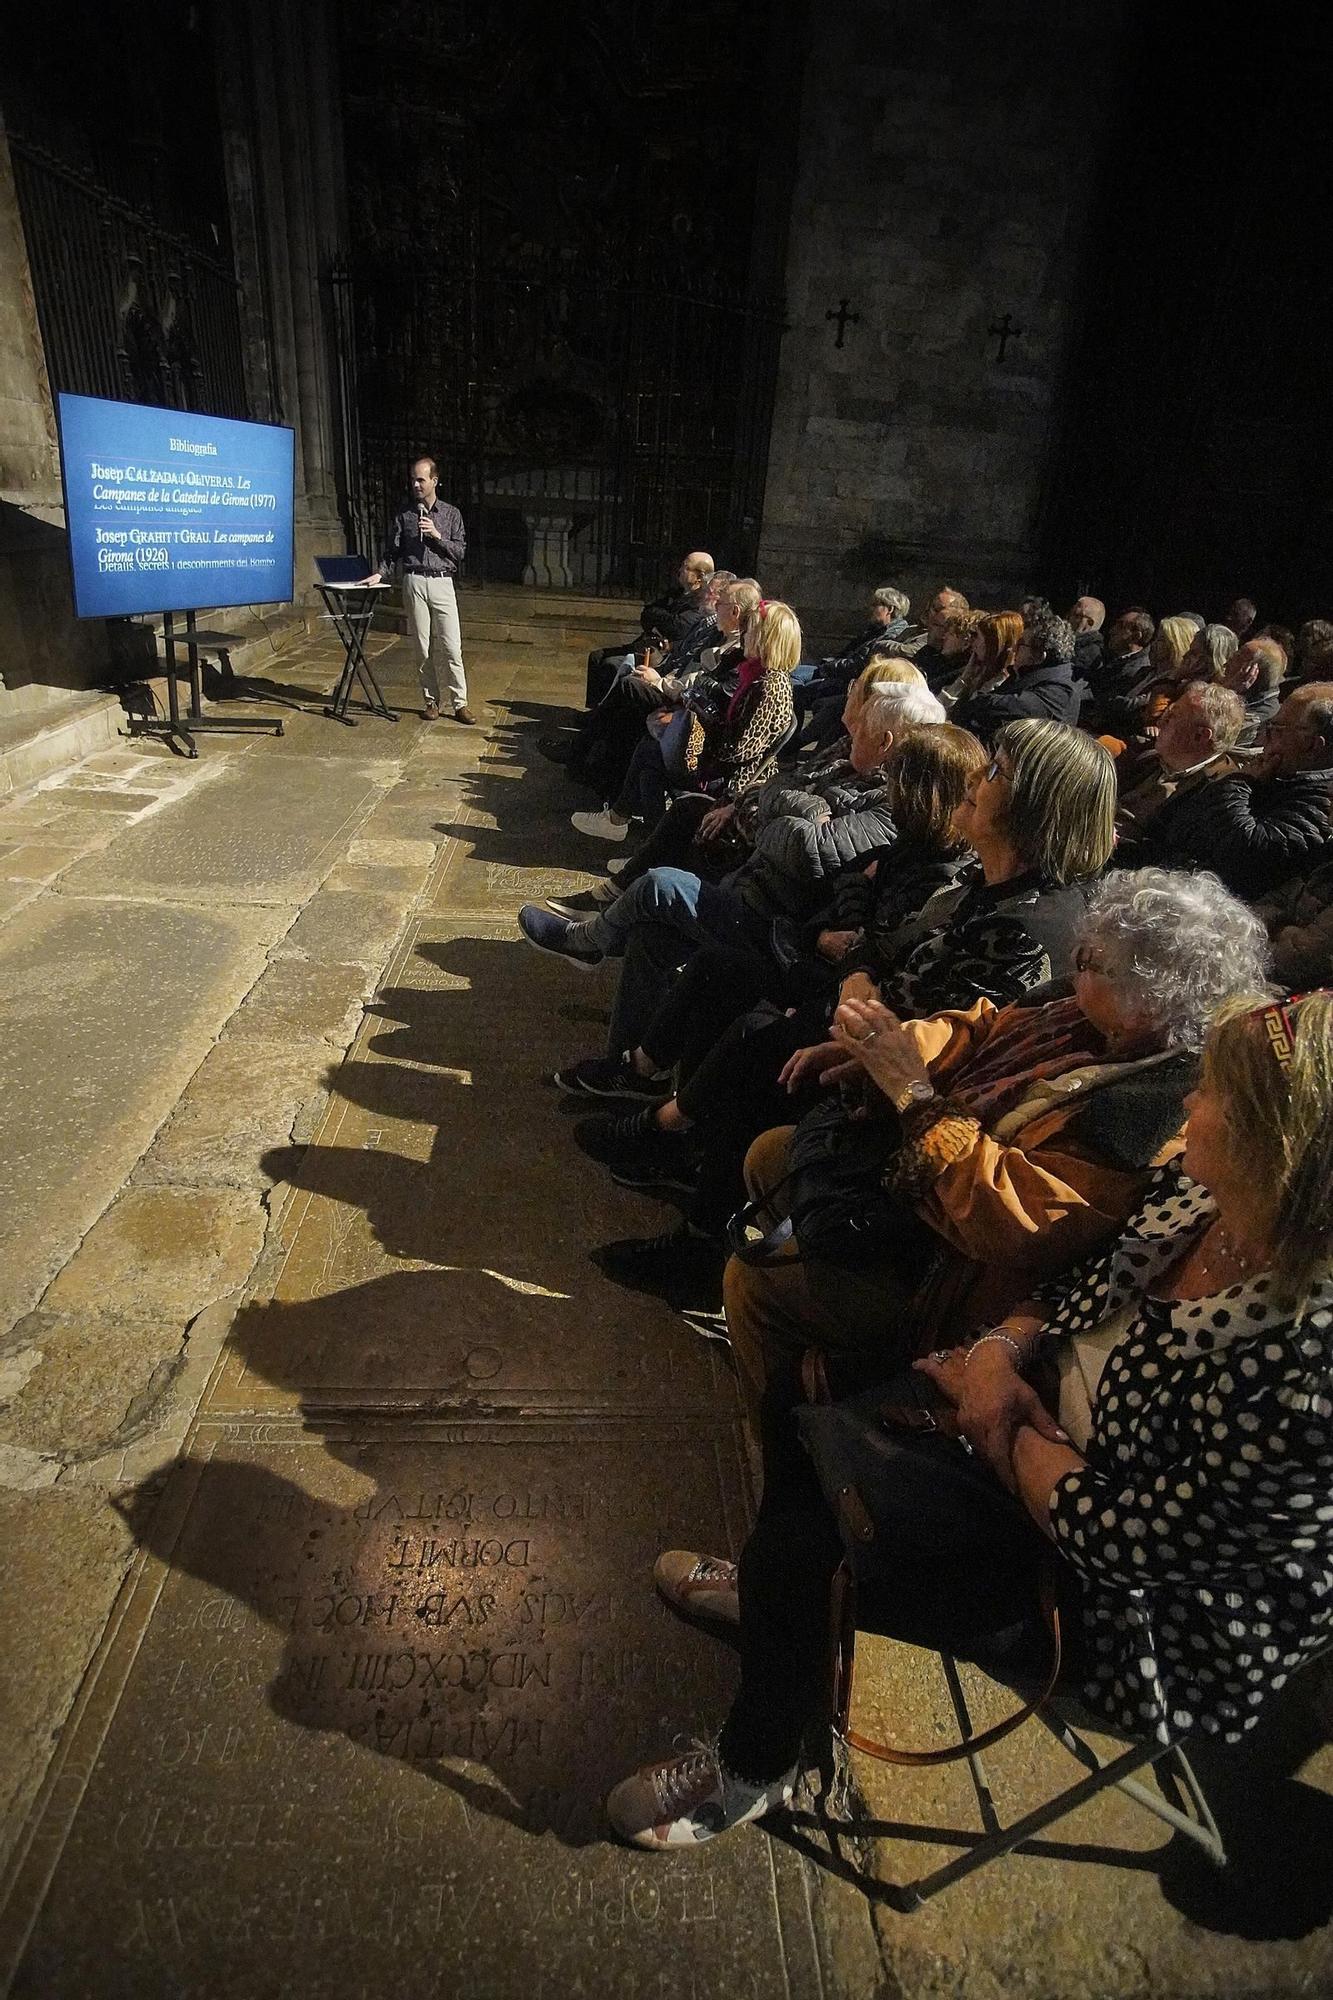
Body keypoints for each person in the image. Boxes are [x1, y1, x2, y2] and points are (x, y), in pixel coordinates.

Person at [606, 987, 1333, 1849]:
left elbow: (1128, 1546)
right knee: (799, 1398)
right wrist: (995, 1353)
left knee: (809, 1528)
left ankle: (758, 1759)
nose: (1185, 1101)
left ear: (1274, 1146)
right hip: (1031, 1425)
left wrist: (999, 1423)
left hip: (1119, 1606)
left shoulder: (1307, 1370)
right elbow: (1076, 1285)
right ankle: (776, 1602)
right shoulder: (1200, 1195)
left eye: (1210, 1092)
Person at [573, 721, 1117, 1300]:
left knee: (765, 1043)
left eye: (997, 772)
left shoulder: (1029, 927)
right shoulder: (986, 885)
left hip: (901, 1101)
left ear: (1033, 809)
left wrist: (858, 979)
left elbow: (923, 1040)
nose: (976, 780)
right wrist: (860, 973)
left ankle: (698, 1233)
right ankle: (685, 1146)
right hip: (856, 1017)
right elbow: (885, 954)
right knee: (725, 975)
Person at [521, 678, 935, 1060]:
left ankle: (591, 940)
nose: (850, 733)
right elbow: (776, 787)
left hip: (778, 925)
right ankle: (629, 1061)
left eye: (861, 728)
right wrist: (804, 809)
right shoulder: (845, 767)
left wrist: (781, 814)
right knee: (652, 936)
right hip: (753, 886)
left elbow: (806, 850)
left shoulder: (887, 804)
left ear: (886, 742)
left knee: (660, 884)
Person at [562, 599, 799, 846]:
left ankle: (628, 828)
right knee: (651, 751)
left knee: (652, 753)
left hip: (733, 775)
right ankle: (637, 836)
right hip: (719, 757)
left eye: (751, 632)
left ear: (766, 639)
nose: (744, 637)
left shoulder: (769, 687)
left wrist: (696, 723)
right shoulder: (753, 672)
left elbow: (737, 749)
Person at [1118, 682, 1333, 898]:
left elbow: (1245, 853)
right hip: (1164, 877)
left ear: (1312, 745)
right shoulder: (1275, 778)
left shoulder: (1322, 803)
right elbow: (1178, 835)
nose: (1263, 739)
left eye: (1275, 730)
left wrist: (1240, 782)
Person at [547, 571, 736, 794]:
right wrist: (659, 672)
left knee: (629, 686)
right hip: (673, 680)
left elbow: (701, 683)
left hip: (683, 699)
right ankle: (595, 767)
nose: (704, 595)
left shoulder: (729, 643)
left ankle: (581, 752)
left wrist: (661, 681)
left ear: (734, 610)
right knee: (625, 693)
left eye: (714, 595)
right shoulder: (710, 625)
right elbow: (674, 646)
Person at [364, 456, 475, 724]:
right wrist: (380, 572)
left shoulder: (451, 514)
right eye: (413, 479)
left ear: (434, 481)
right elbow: (394, 551)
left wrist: (437, 536)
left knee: (451, 646)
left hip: (442, 581)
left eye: (421, 479)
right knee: (421, 646)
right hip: (414, 581)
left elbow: (460, 551)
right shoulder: (405, 515)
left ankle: (460, 703)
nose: (415, 484)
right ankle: (431, 701)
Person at [580, 550, 716, 708]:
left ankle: (602, 713)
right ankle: (593, 710)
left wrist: (658, 619)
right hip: (647, 643)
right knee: (596, 656)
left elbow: (676, 627)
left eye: (686, 567)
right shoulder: (677, 593)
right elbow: (647, 614)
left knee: (612, 664)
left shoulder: (701, 602)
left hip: (660, 653)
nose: (680, 570)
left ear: (699, 576)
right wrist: (659, 619)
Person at [1115, 681, 1246, 835]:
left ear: (1200, 736)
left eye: (1171, 717)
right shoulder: (1150, 756)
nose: (1160, 722)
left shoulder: (1214, 794)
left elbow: (1168, 850)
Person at [953, 607, 1080, 736]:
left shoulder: (1060, 691)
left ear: (1040, 656)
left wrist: (977, 699)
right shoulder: (1025, 676)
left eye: (1021, 644)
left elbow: (1000, 708)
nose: (1013, 648)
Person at [1222, 634, 1286, 744]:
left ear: (1252, 672)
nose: (1226, 663)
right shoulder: (1239, 692)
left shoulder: (1260, 717)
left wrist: (1228, 693)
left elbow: (1216, 739)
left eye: (1238, 657)